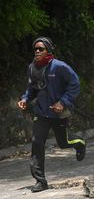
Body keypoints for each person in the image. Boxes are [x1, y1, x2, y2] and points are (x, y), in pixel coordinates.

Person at [17, 37, 86, 193]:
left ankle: (80, 143)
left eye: (41, 48)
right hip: (41, 112)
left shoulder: (59, 67)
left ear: (48, 50)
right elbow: (31, 89)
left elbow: (75, 84)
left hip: (59, 112)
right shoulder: (32, 68)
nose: (37, 51)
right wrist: (24, 99)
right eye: (35, 49)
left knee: (63, 143)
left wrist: (63, 102)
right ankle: (40, 181)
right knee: (37, 143)